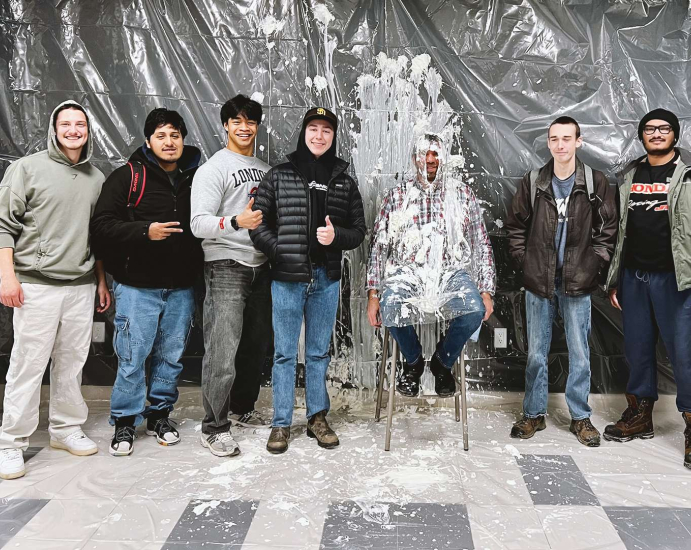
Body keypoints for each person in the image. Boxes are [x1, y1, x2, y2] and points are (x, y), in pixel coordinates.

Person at [603, 108, 691, 471]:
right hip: (635, 279)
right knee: (637, 351)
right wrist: (615, 278)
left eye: (664, 129)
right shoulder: (628, 174)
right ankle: (640, 416)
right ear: (641, 135)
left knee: (685, 355)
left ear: (675, 134)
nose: (656, 134)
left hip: (679, 280)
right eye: (649, 129)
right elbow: (618, 229)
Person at [0, 101, 109, 479]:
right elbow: (3, 225)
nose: (73, 130)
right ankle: (11, 442)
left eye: (80, 124)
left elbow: (96, 237)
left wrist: (99, 281)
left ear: (87, 130)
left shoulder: (96, 178)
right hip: (35, 285)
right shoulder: (26, 169)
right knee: (27, 365)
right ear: (54, 128)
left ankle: (64, 429)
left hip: (79, 287)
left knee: (71, 363)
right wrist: (6, 276)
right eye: (66, 124)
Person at [251, 107, 366, 454]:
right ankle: (281, 423)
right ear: (304, 132)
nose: (319, 136)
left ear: (333, 136)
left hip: (326, 278)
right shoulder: (280, 175)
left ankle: (317, 417)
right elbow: (257, 223)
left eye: (326, 131)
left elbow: (358, 230)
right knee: (285, 354)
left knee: (318, 353)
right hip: (287, 278)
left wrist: (337, 238)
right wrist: (279, 251)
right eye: (313, 129)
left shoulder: (344, 180)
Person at [90, 108, 203, 456]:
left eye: (175, 135)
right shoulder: (128, 177)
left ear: (183, 139)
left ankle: (159, 416)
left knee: (170, 357)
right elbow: (101, 226)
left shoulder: (196, 177)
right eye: (161, 135)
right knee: (133, 356)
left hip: (181, 287)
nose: (169, 142)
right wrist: (144, 231)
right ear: (148, 141)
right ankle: (125, 422)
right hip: (137, 287)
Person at [504, 116, 617, 445]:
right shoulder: (534, 181)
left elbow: (607, 232)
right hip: (539, 280)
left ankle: (581, 418)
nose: (561, 145)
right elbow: (515, 226)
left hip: (578, 281)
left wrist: (594, 264)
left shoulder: (595, 182)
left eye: (567, 138)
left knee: (580, 353)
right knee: (536, 353)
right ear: (549, 143)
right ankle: (534, 414)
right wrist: (525, 262)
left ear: (578, 141)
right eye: (555, 139)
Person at [366, 133, 495, 399]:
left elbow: (480, 243)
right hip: (407, 272)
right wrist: (373, 294)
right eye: (425, 153)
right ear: (415, 158)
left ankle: (442, 362)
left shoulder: (461, 194)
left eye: (436, 153)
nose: (430, 159)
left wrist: (485, 291)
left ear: (443, 157)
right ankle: (413, 363)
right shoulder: (398, 195)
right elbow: (379, 247)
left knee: (474, 310)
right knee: (391, 305)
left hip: (450, 273)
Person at [191, 95, 273, 456]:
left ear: (257, 126)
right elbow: (198, 224)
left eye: (250, 121)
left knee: (254, 348)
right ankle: (214, 426)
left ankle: (241, 409)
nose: (244, 127)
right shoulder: (214, 168)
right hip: (226, 264)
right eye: (237, 121)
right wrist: (236, 221)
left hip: (262, 265)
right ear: (225, 125)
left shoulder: (265, 169)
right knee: (222, 348)